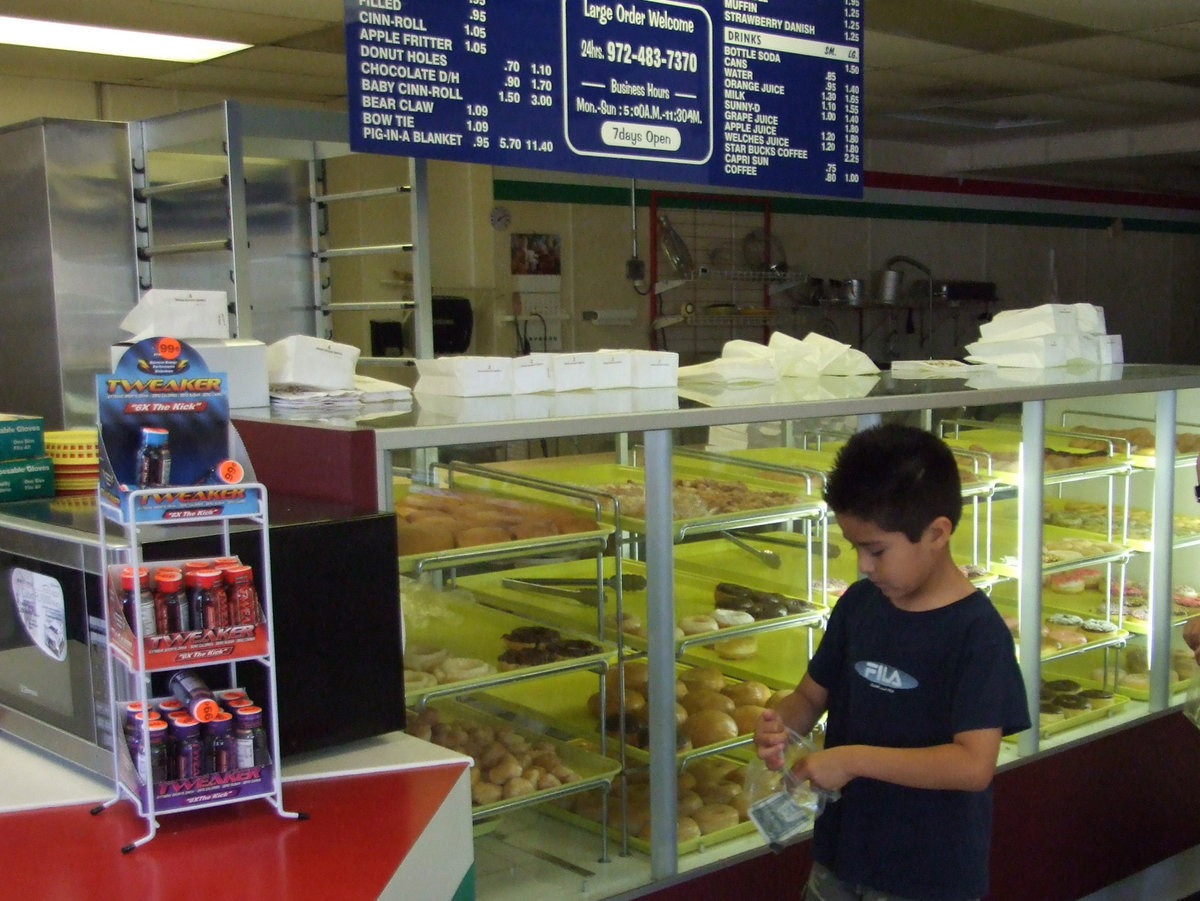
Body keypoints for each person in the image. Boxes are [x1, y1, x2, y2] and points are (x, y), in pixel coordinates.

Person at [754, 423, 1030, 901]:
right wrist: (782, 724)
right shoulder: (860, 606)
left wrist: (852, 760)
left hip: (928, 878)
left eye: (875, 549)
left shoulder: (977, 635)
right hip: (841, 859)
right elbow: (809, 695)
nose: (862, 564)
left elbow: (972, 765)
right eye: (855, 546)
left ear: (937, 532)